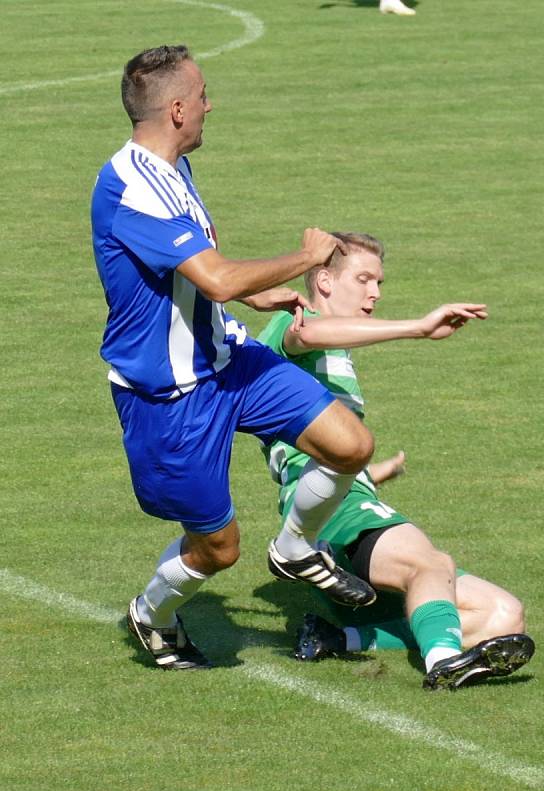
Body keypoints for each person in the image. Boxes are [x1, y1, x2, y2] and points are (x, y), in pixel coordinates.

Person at [90, 46, 379, 671]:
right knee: (218, 548)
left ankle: (297, 548)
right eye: (201, 96)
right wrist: (305, 260)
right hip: (171, 398)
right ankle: (154, 613)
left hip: (229, 360)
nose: (208, 105)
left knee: (351, 446)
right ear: (175, 109)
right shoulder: (133, 189)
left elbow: (195, 273)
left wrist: (257, 288)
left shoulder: (171, 168)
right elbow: (214, 278)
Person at [257, 232, 535, 690]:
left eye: (379, 282)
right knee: (430, 565)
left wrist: (376, 472)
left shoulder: (336, 350)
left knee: (503, 616)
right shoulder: (296, 325)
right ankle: (442, 661)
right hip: (333, 510)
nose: (376, 293)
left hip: (347, 498)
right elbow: (308, 332)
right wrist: (416, 328)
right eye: (363, 279)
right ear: (324, 280)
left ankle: (335, 638)